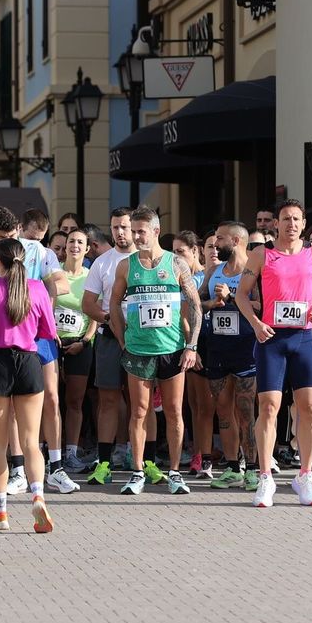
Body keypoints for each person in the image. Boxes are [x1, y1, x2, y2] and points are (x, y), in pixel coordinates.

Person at [0, 206, 71, 493]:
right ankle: (38, 497)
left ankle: (0, 507)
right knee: (31, 442)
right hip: (29, 359)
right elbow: (48, 330)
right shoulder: (37, 288)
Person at [236, 199, 312, 507]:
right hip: (271, 338)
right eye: (286, 218)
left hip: (302, 337)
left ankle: (305, 475)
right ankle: (265, 476)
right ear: (276, 223)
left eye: (296, 219)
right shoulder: (262, 253)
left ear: (303, 224)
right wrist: (256, 324)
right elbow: (241, 294)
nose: (291, 224)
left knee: (310, 407)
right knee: (269, 407)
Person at [108, 207, 202, 496]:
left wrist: (192, 346)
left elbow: (195, 306)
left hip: (172, 349)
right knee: (139, 412)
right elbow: (113, 303)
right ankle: (137, 472)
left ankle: (174, 472)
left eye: (141, 232)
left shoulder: (176, 264)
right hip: (138, 350)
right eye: (133, 231)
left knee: (174, 411)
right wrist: (122, 340)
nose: (136, 237)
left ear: (156, 232)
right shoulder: (126, 266)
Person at [81, 208, 136, 484]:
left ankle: (142, 460)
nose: (120, 232)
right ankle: (104, 463)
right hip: (108, 338)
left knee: (140, 402)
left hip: (141, 339)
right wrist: (109, 319)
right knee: (108, 400)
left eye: (124, 227)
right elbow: (87, 303)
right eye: (115, 227)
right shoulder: (102, 263)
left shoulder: (146, 259)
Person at [204, 222, 260, 491]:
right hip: (217, 347)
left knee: (246, 410)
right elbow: (198, 302)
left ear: (236, 241)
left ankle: (252, 469)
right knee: (223, 410)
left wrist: (232, 296)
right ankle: (232, 467)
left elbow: (261, 305)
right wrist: (212, 303)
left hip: (245, 348)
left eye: (220, 239)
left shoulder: (253, 269)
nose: (216, 245)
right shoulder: (214, 271)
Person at [174, 230, 215, 476]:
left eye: (181, 252)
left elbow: (197, 308)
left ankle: (210, 455)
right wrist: (192, 346)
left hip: (212, 343)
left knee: (208, 406)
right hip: (191, 346)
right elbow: (183, 314)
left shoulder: (205, 276)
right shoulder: (180, 278)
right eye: (174, 252)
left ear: (194, 251)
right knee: (195, 405)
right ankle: (198, 453)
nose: (177, 257)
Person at [55, 227, 96, 474]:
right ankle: (49, 452)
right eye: (71, 241)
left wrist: (85, 340)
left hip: (80, 343)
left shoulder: (91, 277)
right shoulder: (54, 273)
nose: (75, 246)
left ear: (87, 248)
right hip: (53, 342)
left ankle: (71, 452)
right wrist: (51, 336)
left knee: (75, 401)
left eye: (80, 242)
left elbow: (95, 313)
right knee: (50, 400)